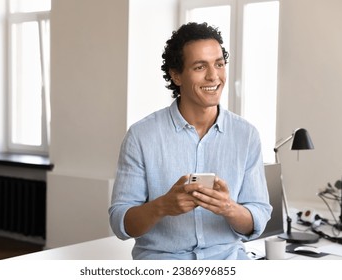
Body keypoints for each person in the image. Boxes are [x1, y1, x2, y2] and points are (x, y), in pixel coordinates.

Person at [109, 22, 272, 260]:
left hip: (228, 260)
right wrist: (162, 206)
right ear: (176, 76)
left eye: (219, 64)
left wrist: (228, 208)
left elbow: (257, 218)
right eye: (199, 66)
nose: (213, 75)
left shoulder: (246, 135)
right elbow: (120, 222)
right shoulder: (141, 136)